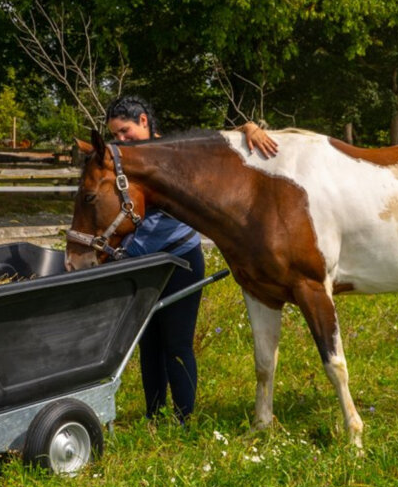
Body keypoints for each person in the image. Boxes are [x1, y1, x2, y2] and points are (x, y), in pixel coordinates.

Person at [104, 97, 277, 424]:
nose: (121, 141)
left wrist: (249, 128)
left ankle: (184, 419)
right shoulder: (123, 163)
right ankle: (154, 416)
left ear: (144, 121)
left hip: (179, 260)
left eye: (125, 132)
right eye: (115, 135)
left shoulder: (176, 152)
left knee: (177, 343)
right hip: (140, 267)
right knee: (148, 345)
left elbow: (216, 139)